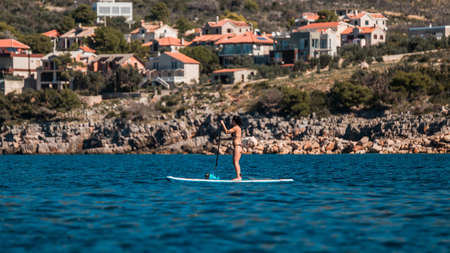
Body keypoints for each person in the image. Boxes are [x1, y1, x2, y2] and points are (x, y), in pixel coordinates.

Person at [221, 116, 242, 181]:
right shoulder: (238, 128)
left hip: (237, 147)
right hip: (238, 147)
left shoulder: (236, 128)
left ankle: (238, 177)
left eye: (232, 120)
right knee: (235, 162)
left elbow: (227, 131)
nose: (231, 122)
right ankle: (239, 176)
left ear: (235, 121)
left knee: (236, 162)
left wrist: (222, 124)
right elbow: (234, 138)